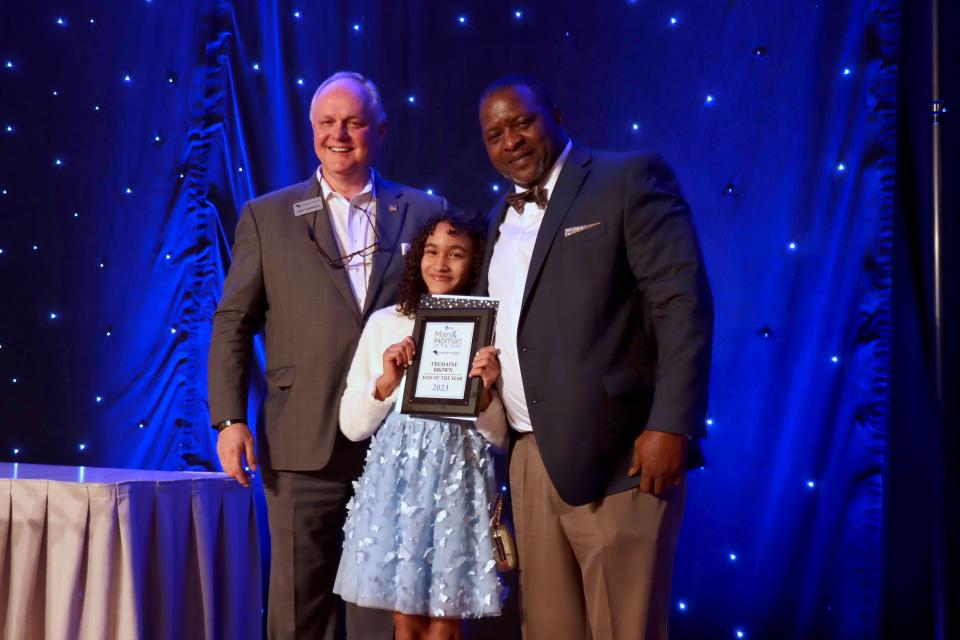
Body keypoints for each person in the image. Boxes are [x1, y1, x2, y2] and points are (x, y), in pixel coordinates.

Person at [207, 71, 446, 640]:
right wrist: (229, 419)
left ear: (380, 130)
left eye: (355, 122)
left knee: (384, 613)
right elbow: (234, 322)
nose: (340, 134)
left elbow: (451, 314)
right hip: (300, 441)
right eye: (327, 122)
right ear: (311, 130)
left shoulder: (423, 210)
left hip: (396, 443)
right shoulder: (267, 216)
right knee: (297, 612)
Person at [476, 75, 714, 640]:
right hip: (531, 461)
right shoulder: (496, 221)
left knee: (623, 629)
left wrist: (671, 424)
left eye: (522, 122)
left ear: (555, 116)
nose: (510, 140)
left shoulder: (625, 179)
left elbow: (683, 304)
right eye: (494, 133)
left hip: (621, 458)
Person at [334, 211, 508, 640]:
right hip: (399, 481)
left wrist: (483, 395)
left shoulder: (488, 326)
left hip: (459, 482)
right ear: (417, 259)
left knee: (445, 623)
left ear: (477, 261)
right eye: (432, 252)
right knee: (405, 620)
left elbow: (502, 437)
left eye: (457, 254)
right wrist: (386, 383)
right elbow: (351, 426)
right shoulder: (385, 323)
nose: (441, 264)